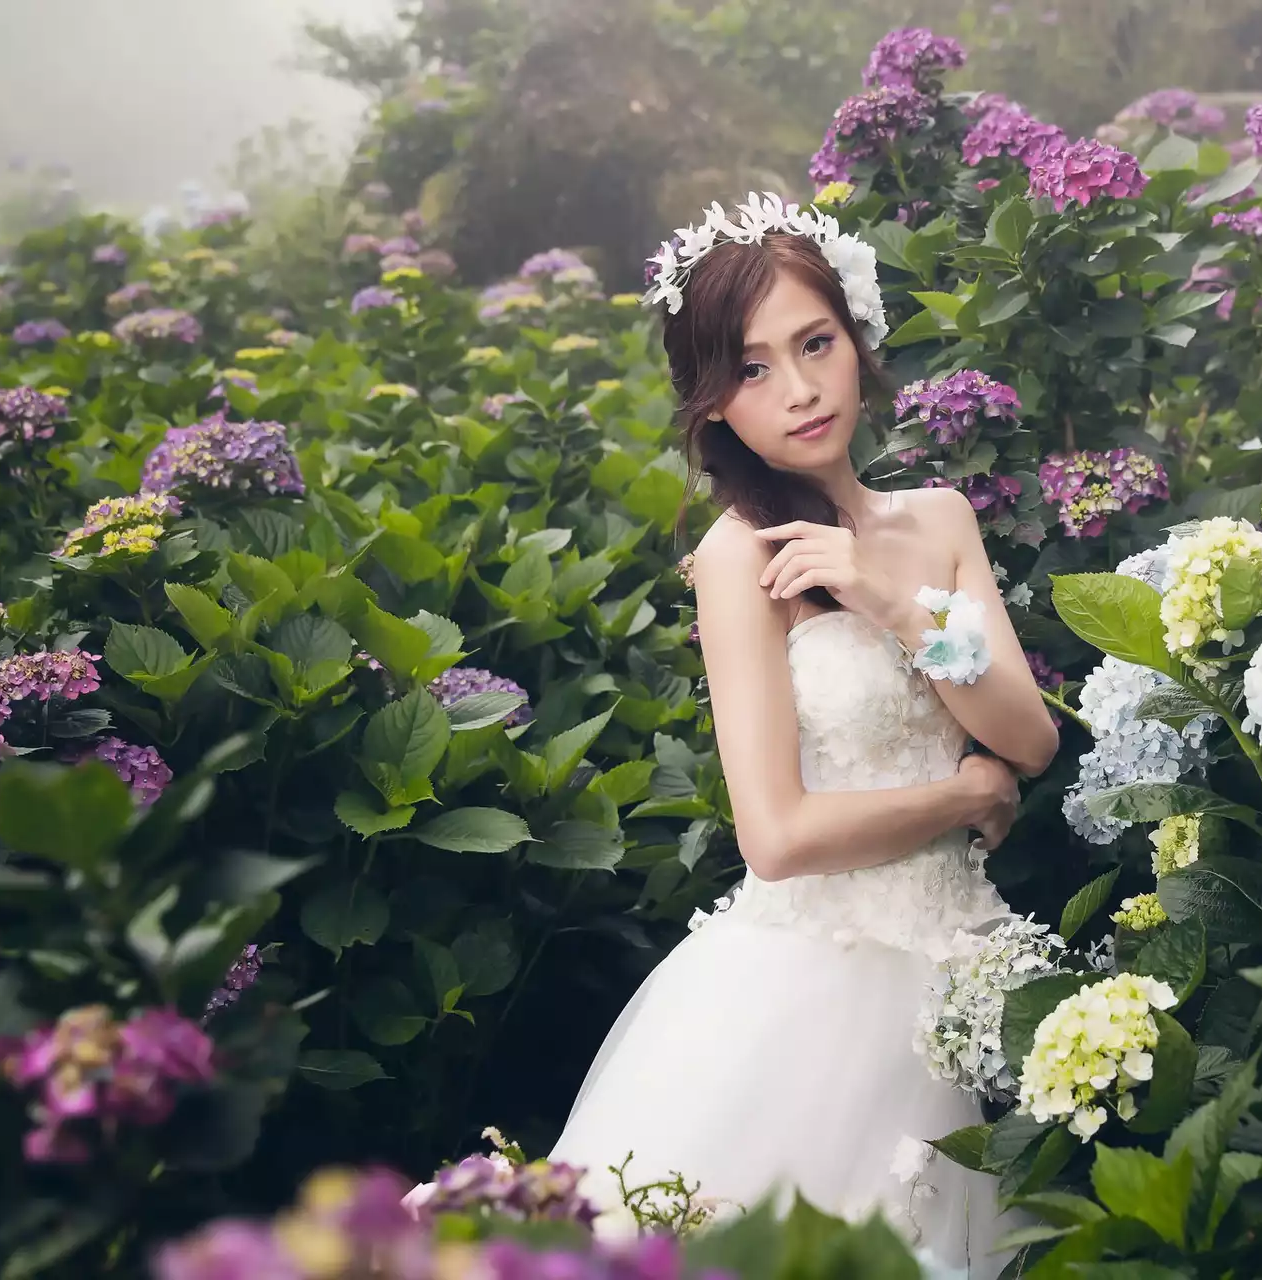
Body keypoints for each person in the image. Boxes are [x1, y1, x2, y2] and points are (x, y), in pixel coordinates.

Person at [414, 194, 1060, 1275]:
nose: (799, 389)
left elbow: (1028, 738)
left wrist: (894, 604)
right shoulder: (738, 556)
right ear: (713, 402)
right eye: (753, 368)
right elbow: (777, 835)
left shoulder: (939, 520)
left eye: (816, 344)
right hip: (809, 985)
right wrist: (962, 795)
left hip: (954, 977)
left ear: (857, 337)